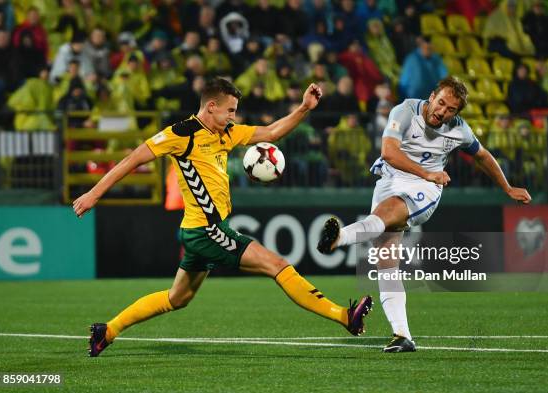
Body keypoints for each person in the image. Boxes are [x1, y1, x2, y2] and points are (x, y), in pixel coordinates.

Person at [73, 78, 372, 357]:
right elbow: (132, 159)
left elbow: (271, 133)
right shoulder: (181, 134)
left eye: (235, 111)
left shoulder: (226, 133)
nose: (233, 116)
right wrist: (94, 194)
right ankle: (345, 317)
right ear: (211, 106)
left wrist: (304, 108)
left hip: (203, 230)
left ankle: (107, 331)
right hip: (206, 230)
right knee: (277, 265)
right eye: (230, 110)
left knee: (177, 299)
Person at [316, 76, 531, 353]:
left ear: (456, 113)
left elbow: (483, 156)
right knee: (385, 258)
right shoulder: (404, 111)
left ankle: (340, 238)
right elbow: (389, 153)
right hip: (392, 179)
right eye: (441, 103)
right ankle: (402, 335)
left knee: (388, 213)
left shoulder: (459, 130)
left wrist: (508, 187)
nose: (442, 112)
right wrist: (426, 170)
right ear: (432, 96)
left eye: (451, 109)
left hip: (425, 188)